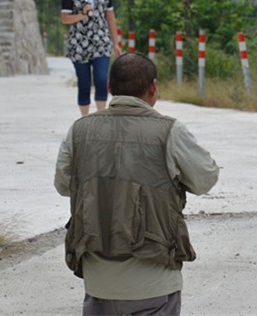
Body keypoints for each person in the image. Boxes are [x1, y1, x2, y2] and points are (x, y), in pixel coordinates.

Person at [54, 52, 219, 316]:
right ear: (153, 87)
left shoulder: (79, 130)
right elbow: (205, 179)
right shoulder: (170, 131)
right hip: (154, 282)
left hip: (98, 283)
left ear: (109, 87)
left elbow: (63, 185)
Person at [61, 0, 122, 116]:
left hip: (101, 42)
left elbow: (110, 17)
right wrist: (82, 14)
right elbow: (65, 19)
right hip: (79, 44)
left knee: (101, 79)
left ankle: (100, 117)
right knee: (84, 83)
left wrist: (115, 42)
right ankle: (85, 119)